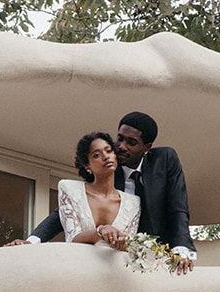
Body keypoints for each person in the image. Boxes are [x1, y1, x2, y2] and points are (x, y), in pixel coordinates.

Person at [10, 111, 196, 273]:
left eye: (132, 143)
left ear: (146, 148)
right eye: (120, 138)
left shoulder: (165, 159)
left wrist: (182, 249)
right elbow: (68, 209)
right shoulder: (108, 167)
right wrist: (33, 241)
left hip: (153, 254)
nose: (121, 146)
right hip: (109, 258)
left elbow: (177, 208)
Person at [56, 132, 141, 249]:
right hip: (77, 263)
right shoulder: (70, 189)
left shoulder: (133, 203)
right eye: (96, 155)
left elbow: (129, 248)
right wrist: (101, 231)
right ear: (87, 165)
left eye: (109, 151)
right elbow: (72, 238)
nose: (106, 157)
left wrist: (123, 243)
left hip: (113, 266)